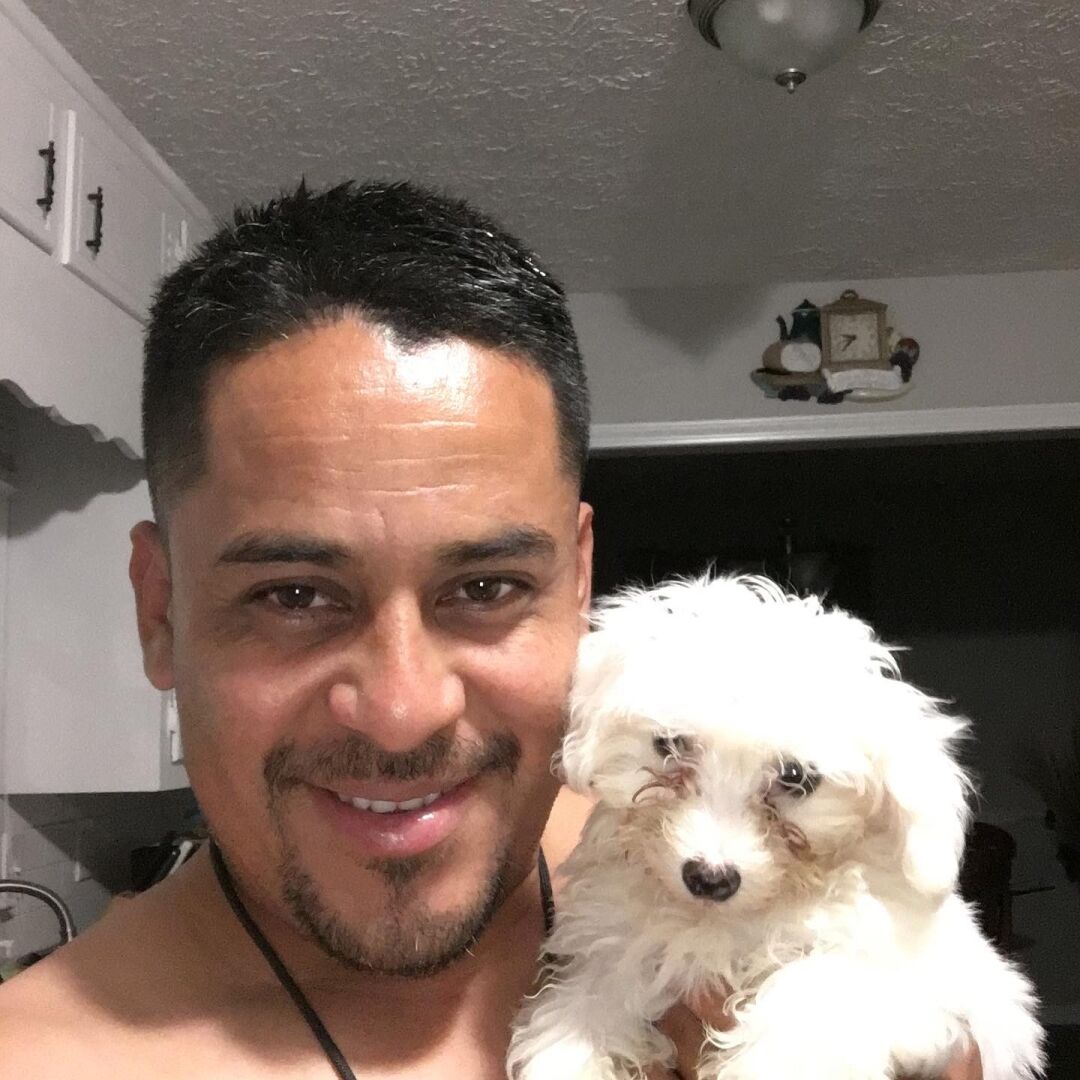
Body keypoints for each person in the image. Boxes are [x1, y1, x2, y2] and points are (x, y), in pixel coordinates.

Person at [0, 181, 981, 1079]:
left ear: (580, 583)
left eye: (485, 587)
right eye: (294, 596)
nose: (401, 711)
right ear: (160, 610)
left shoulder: (786, 905)